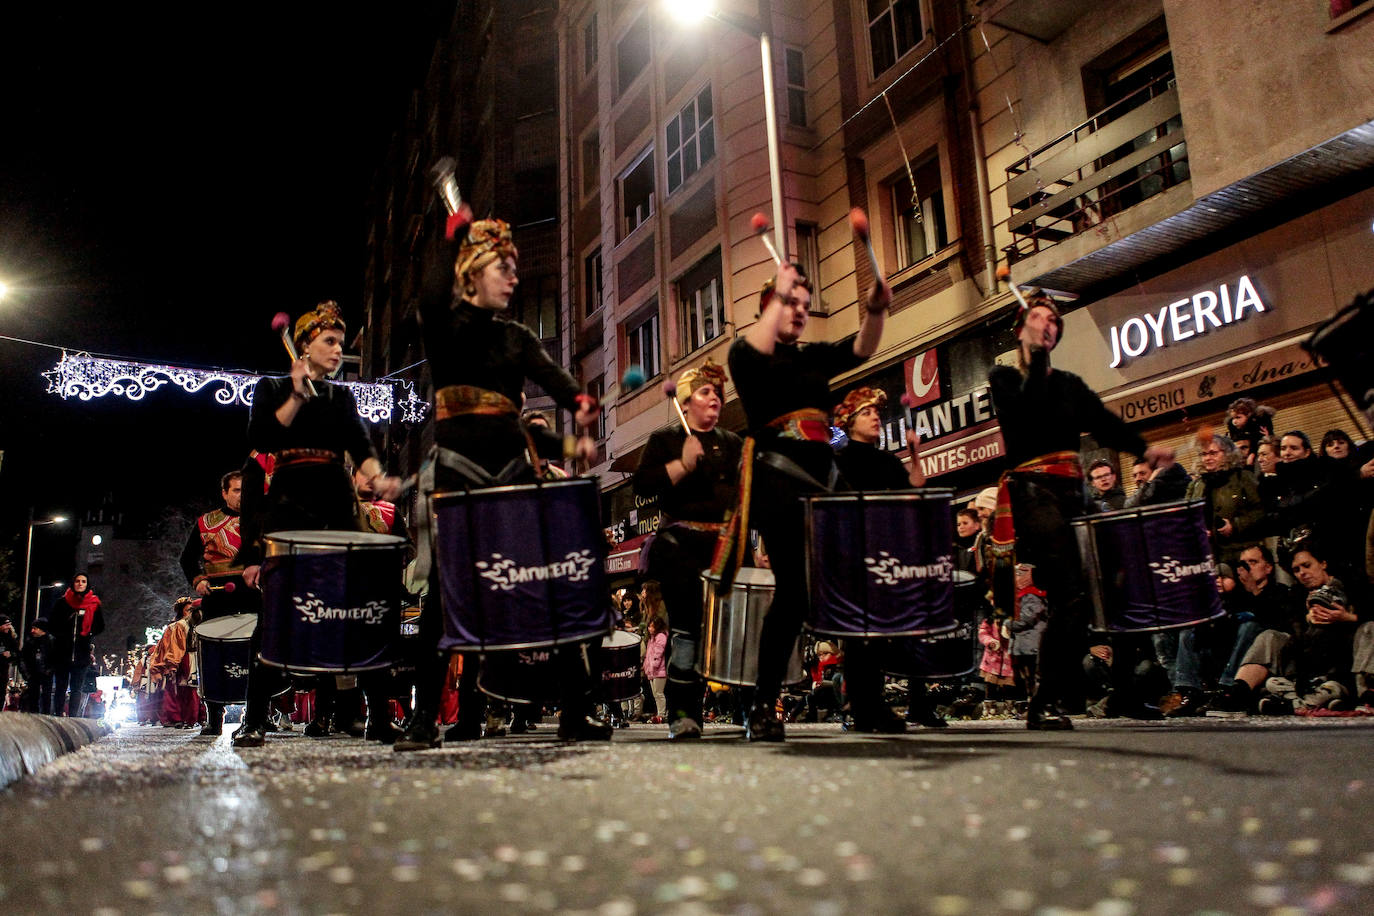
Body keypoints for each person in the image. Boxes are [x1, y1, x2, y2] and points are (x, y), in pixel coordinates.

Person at [394, 215, 608, 752]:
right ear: (472, 274)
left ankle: (575, 712)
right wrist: (451, 233)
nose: (514, 279)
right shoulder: (443, 326)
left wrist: (581, 406)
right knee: (445, 599)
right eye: (503, 269)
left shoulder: (518, 337)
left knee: (546, 588)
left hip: (513, 471)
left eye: (515, 269)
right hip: (459, 470)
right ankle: (424, 723)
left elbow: (559, 383)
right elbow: (430, 289)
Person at [725, 258, 894, 741]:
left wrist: (876, 311)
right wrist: (779, 292)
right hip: (780, 488)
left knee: (858, 591)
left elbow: (860, 347)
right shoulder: (749, 357)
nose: (800, 311)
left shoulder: (811, 358)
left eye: (804, 305)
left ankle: (867, 704)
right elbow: (752, 347)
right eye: (789, 304)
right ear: (768, 308)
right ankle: (763, 705)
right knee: (793, 597)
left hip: (827, 488)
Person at [232, 301, 403, 748]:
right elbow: (262, 439)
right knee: (276, 615)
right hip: (289, 509)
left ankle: (379, 718)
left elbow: (359, 443)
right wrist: (295, 397)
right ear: (304, 345)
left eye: (341, 344)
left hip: (336, 508)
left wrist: (376, 473)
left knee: (355, 610)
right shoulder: (271, 388)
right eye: (329, 342)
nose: (337, 350)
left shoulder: (342, 397)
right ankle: (254, 719)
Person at [987, 290, 1154, 730]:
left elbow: (1103, 422)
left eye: (1054, 322)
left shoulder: (1071, 385)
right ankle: (1042, 703)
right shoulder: (1004, 380)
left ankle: (1097, 692)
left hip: (1071, 492)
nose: (1048, 325)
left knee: (1091, 594)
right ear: (1023, 328)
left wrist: (1144, 449)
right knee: (1068, 591)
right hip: (1033, 492)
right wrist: (1037, 355)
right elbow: (1032, 407)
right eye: (1039, 318)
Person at [631, 359, 743, 739]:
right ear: (687, 401)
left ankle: (751, 711)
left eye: (718, 392)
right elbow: (643, 487)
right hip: (680, 547)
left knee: (735, 628)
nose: (715, 397)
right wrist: (681, 464)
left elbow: (744, 497)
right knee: (688, 627)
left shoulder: (732, 443)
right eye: (705, 391)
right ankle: (683, 712)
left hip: (726, 545)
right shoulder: (664, 441)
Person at [830, 386, 943, 727]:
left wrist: (915, 455)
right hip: (854, 555)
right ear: (849, 422)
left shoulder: (889, 461)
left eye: (877, 413)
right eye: (867, 413)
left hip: (888, 554)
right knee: (860, 636)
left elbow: (915, 492)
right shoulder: (839, 461)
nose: (876, 417)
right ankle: (861, 706)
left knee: (896, 632)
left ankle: (911, 704)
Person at [1211, 544, 1362, 715]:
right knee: (1270, 636)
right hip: (1303, 662)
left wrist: (1346, 618)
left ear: (1323, 564)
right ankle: (1237, 694)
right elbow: (1288, 634)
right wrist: (1304, 619)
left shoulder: (1349, 586)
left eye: (1307, 566)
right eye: (1296, 570)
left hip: (1340, 661)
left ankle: (1304, 699)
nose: (1302, 573)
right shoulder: (1296, 594)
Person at [180, 469, 260, 736]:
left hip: (254, 596)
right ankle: (214, 716)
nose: (242, 495)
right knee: (214, 656)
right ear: (225, 493)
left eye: (245, 490)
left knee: (256, 656)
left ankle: (258, 714)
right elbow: (187, 559)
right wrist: (198, 580)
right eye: (236, 490)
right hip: (217, 597)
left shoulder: (261, 520)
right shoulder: (206, 522)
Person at [47, 574, 103, 716]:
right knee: (61, 686)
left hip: (81, 652)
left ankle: (73, 717)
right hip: (62, 652)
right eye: (77, 581)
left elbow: (100, 626)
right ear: (73, 583)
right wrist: (63, 630)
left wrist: (88, 632)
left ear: (87, 584)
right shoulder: (62, 602)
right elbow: (52, 624)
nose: (80, 584)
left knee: (77, 688)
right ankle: (58, 714)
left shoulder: (93, 603)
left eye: (83, 581)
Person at [20, 618, 55, 713]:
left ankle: (46, 715)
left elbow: (56, 658)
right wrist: (26, 674)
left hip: (46, 674)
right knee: (33, 697)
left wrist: (49, 670)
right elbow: (23, 658)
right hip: (33, 674)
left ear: (42, 629)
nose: (32, 631)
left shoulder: (51, 642)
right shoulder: (30, 642)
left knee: (46, 696)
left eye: (35, 628)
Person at [643, 616, 668, 724]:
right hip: (652, 671)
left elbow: (658, 653)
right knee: (655, 694)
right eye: (649, 626)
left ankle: (661, 714)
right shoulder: (651, 638)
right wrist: (647, 666)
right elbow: (648, 654)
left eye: (652, 626)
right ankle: (659, 713)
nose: (650, 628)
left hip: (659, 670)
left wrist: (653, 665)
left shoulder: (661, 636)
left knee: (659, 693)